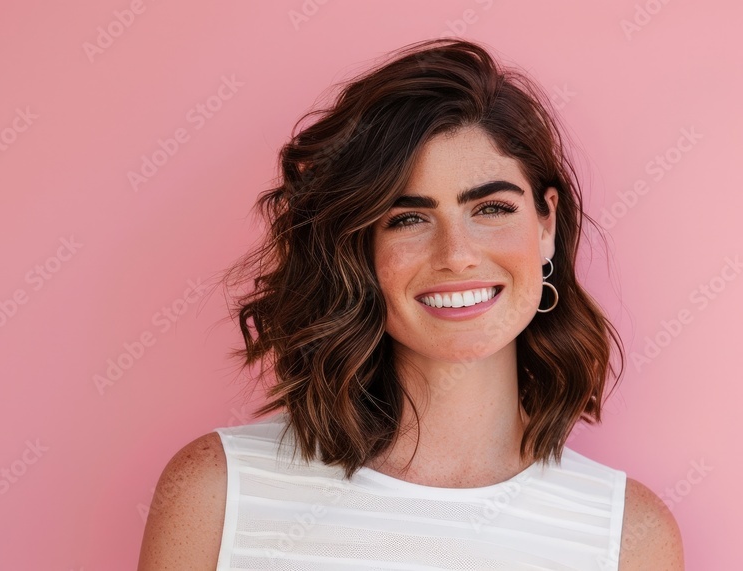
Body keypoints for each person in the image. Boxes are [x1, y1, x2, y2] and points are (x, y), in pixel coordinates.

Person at [137, 38, 684, 570]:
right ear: (359, 248)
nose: (457, 255)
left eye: (492, 208)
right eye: (408, 219)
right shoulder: (217, 494)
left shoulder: (626, 539)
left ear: (546, 224)